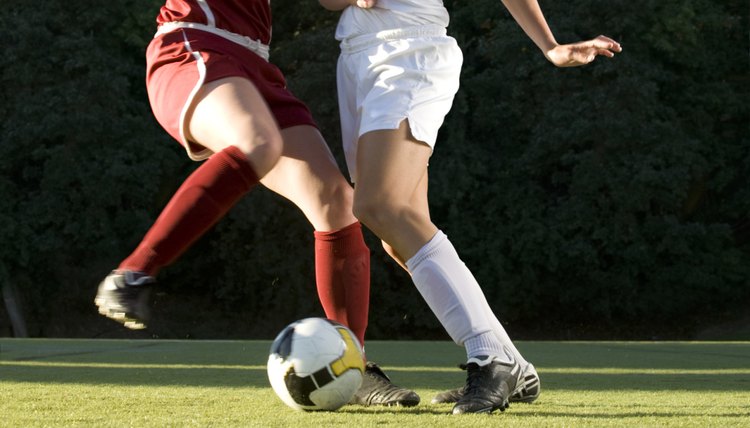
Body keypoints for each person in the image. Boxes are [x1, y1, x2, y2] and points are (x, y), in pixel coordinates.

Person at [93, 0, 419, 408]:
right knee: (258, 143)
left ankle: (352, 367)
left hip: (254, 64)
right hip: (192, 43)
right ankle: (133, 273)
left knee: (336, 202)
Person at [318, 0, 621, 414]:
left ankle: (490, 356)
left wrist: (549, 46)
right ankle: (514, 364)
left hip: (411, 50)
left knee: (378, 205)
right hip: (355, 58)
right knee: (398, 232)